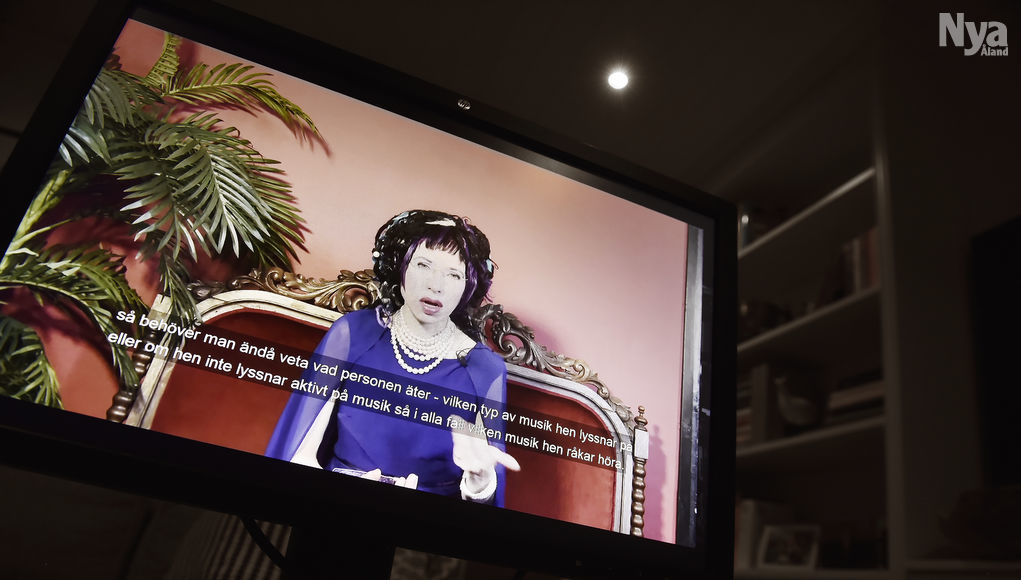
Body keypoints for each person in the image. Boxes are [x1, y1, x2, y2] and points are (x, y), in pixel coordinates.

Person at [266, 210, 519, 505]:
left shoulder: (485, 369)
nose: (436, 285)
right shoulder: (353, 334)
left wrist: (480, 482)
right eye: (424, 265)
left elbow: (485, 503)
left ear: (468, 286)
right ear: (401, 267)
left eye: (453, 274)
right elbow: (298, 456)